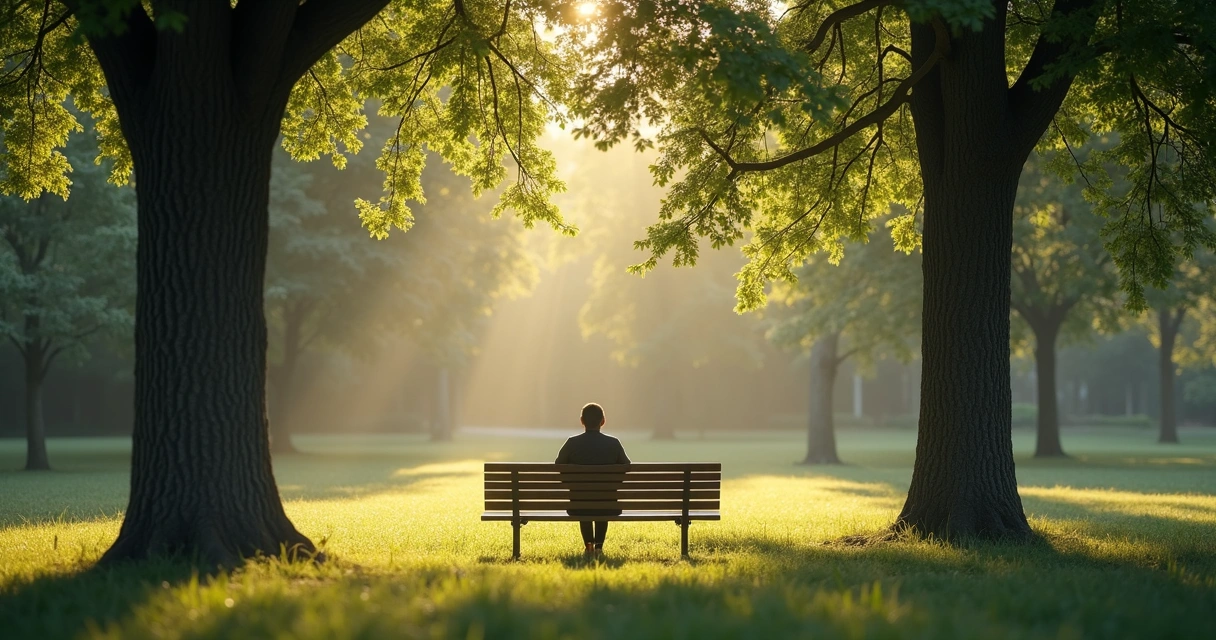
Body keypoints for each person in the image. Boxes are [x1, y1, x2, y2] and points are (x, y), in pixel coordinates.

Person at [555, 402, 630, 556]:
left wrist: (572, 483)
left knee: (585, 502)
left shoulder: (572, 443)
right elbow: (626, 466)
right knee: (602, 501)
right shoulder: (613, 443)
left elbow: (558, 466)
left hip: (578, 504)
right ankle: (599, 548)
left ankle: (589, 548)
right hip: (608, 503)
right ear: (603, 421)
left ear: (582, 421)